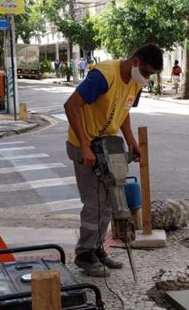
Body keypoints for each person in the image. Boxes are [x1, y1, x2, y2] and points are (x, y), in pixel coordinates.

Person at [64, 43, 164, 277]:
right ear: (136, 62)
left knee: (108, 203)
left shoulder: (135, 82)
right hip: (84, 146)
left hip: (106, 145)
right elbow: (71, 106)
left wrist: (130, 141)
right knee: (94, 204)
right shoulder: (104, 75)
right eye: (147, 72)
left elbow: (124, 111)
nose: (147, 78)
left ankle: (96, 248)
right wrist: (86, 146)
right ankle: (84, 254)